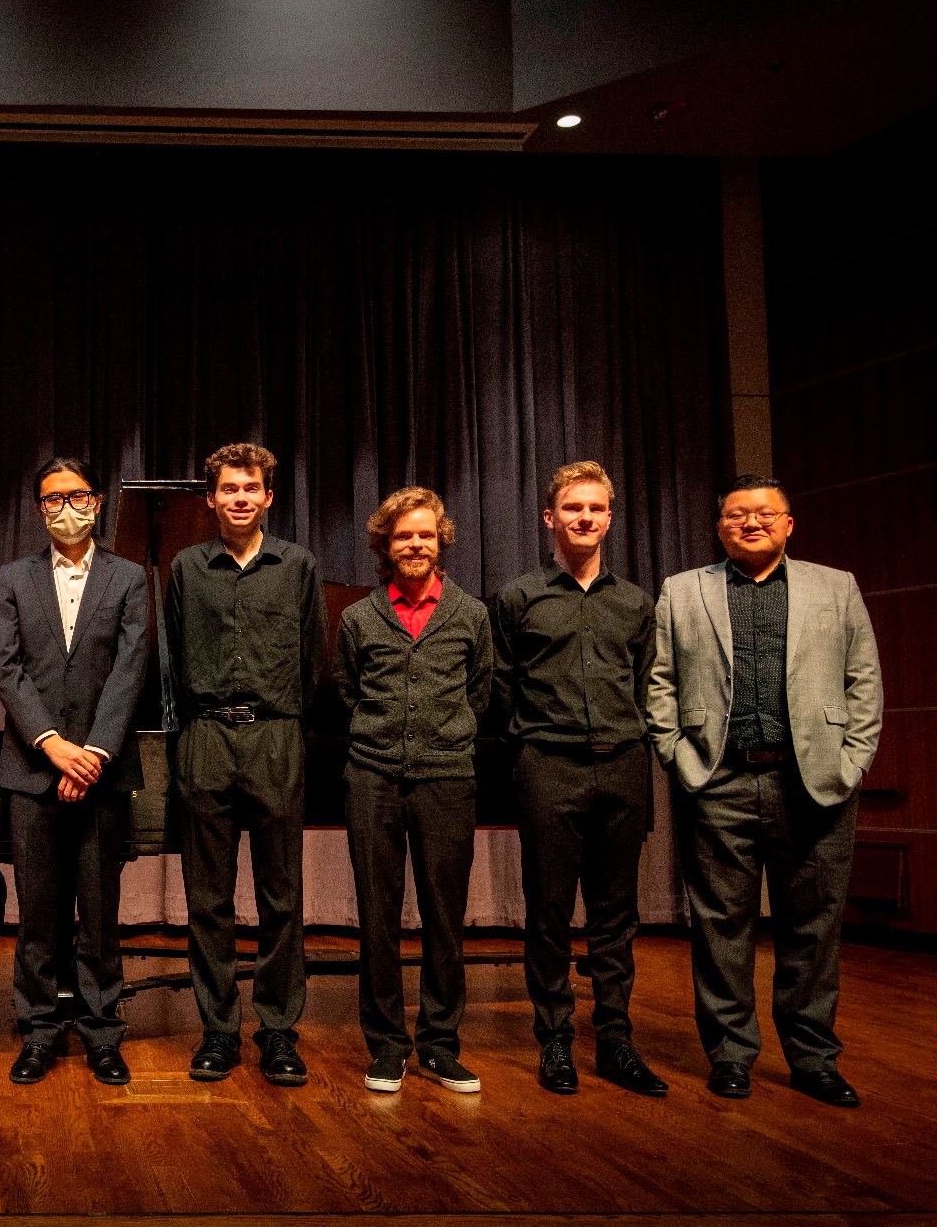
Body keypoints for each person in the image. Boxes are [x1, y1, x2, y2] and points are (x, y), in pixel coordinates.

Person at [646, 474, 881, 1107]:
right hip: (717, 783)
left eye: (765, 514)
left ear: (788, 523)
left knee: (813, 928)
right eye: (736, 515)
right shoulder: (682, 590)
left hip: (816, 785)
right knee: (722, 926)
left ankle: (812, 1058)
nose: (751, 523)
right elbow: (660, 681)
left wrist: (853, 761)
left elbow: (863, 681)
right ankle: (729, 1054)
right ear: (719, 526)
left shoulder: (836, 588)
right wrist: (676, 754)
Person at [490, 462, 666, 1097]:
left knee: (616, 914)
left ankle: (616, 1040)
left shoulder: (635, 602)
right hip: (549, 766)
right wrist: (529, 746)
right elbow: (501, 686)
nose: (584, 518)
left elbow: (652, 683)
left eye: (595, 508)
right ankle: (555, 1042)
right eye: (572, 509)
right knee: (549, 912)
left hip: (623, 764)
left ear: (610, 518)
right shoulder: (518, 598)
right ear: (550, 519)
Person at [164, 442, 325, 1087]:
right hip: (205, 738)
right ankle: (219, 1030)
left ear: (267, 497)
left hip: (275, 740)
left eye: (250, 488)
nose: (239, 498)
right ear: (211, 499)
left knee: (281, 897)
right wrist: (185, 739)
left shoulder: (299, 566)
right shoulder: (186, 568)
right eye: (227, 489)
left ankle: (279, 1030)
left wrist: (288, 728)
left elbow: (314, 659)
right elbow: (171, 656)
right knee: (207, 899)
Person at [0, 458, 149, 1087]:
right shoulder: (13, 577)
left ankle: (102, 1030)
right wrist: (54, 747)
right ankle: (38, 1030)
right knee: (36, 912)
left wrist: (93, 755)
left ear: (98, 502)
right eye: (52, 500)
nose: (65, 508)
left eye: (76, 497)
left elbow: (131, 670)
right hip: (33, 770)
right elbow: (6, 668)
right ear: (39, 509)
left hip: (103, 773)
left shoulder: (129, 577)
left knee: (101, 909)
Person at [336, 486, 491, 1095]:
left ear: (441, 540)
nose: (415, 545)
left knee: (444, 916)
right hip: (371, 776)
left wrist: (445, 735)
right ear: (385, 544)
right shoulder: (356, 618)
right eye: (403, 536)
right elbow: (347, 690)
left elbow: (481, 691)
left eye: (425, 535)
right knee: (376, 915)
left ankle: (440, 1045)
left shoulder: (471, 614)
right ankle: (386, 1046)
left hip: (448, 776)